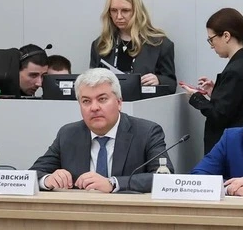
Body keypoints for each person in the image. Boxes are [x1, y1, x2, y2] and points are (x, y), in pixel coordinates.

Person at [30, 68, 172, 193]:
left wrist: (113, 183)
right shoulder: (68, 134)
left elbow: (165, 178)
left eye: (102, 99)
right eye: (86, 101)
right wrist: (47, 180)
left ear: (119, 102)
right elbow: (31, 175)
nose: (94, 108)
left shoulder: (146, 132)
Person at [182, 7, 243, 153]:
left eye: (211, 39)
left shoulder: (236, 69)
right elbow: (236, 101)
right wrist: (216, 92)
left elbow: (219, 115)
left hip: (229, 147)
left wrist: (196, 97)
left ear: (226, 36)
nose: (211, 46)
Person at [89, 0, 176, 87]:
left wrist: (159, 80)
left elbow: (171, 83)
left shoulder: (160, 44)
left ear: (137, 11)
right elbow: (90, 84)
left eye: (125, 10)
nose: (119, 16)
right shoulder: (100, 45)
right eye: (114, 10)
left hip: (144, 97)